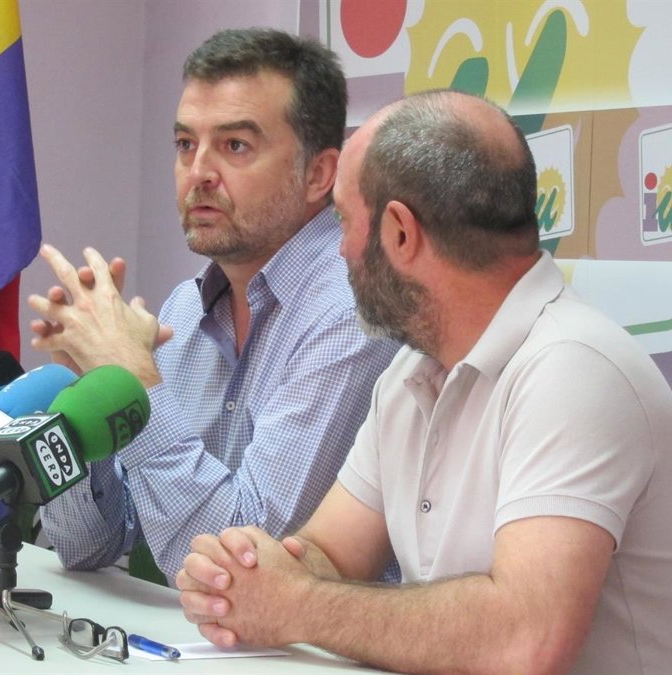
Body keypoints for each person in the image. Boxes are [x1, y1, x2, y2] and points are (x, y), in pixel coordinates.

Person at [176, 90, 672, 674]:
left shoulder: (575, 369)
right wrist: (241, 575)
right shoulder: (410, 375)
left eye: (343, 222)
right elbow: (329, 554)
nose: (339, 250)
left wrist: (297, 605)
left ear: (399, 234)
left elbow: (525, 642)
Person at [27, 28, 400, 583]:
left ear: (319, 174)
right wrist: (93, 391)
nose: (198, 172)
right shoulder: (186, 308)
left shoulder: (353, 314)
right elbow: (91, 545)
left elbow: (245, 571)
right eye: (185, 144)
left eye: (235, 146)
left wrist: (134, 379)